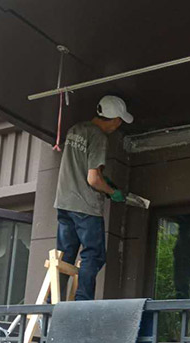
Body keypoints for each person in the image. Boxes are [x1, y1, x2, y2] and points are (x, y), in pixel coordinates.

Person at [54, 95, 133, 300]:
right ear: (114, 119)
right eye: (119, 121)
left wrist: (104, 180)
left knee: (65, 257)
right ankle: (82, 302)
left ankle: (51, 302)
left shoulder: (75, 130)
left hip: (64, 203)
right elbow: (93, 179)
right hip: (85, 207)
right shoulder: (99, 137)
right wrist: (111, 192)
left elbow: (82, 168)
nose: (118, 125)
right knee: (93, 255)